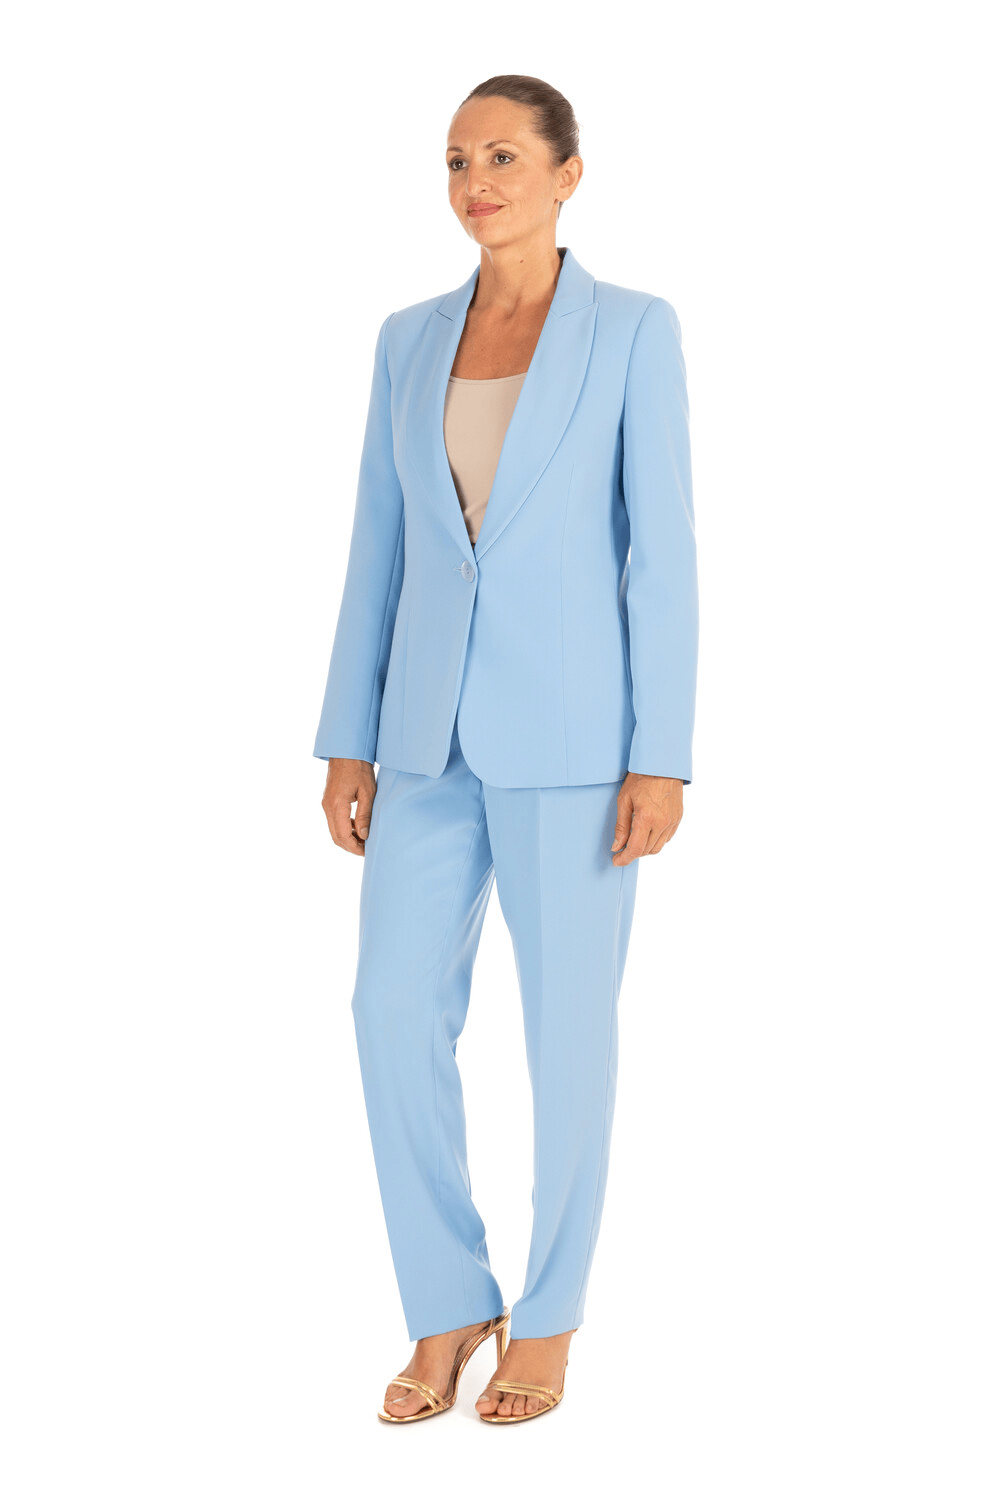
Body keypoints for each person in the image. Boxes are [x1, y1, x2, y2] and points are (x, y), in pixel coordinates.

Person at [314, 74, 698, 1425]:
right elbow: (378, 546)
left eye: (502, 157)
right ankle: (446, 1299)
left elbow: (662, 557)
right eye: (456, 160)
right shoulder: (406, 340)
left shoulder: (633, 331)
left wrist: (662, 752)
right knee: (386, 1011)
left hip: (579, 744)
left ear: (566, 175)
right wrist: (347, 737)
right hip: (422, 743)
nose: (475, 182)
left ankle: (551, 1315)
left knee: (567, 1037)